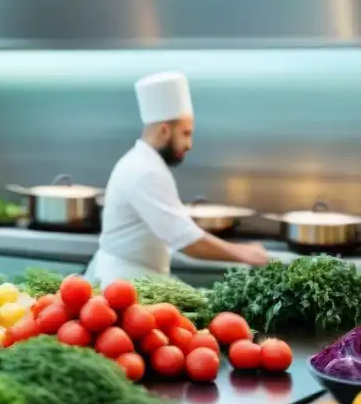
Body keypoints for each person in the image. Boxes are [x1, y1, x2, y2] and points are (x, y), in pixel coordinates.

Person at [85, 71, 270, 286]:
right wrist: (244, 253)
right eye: (185, 133)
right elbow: (186, 241)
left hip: (137, 278)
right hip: (122, 282)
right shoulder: (145, 171)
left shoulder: (144, 163)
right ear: (164, 130)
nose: (189, 144)